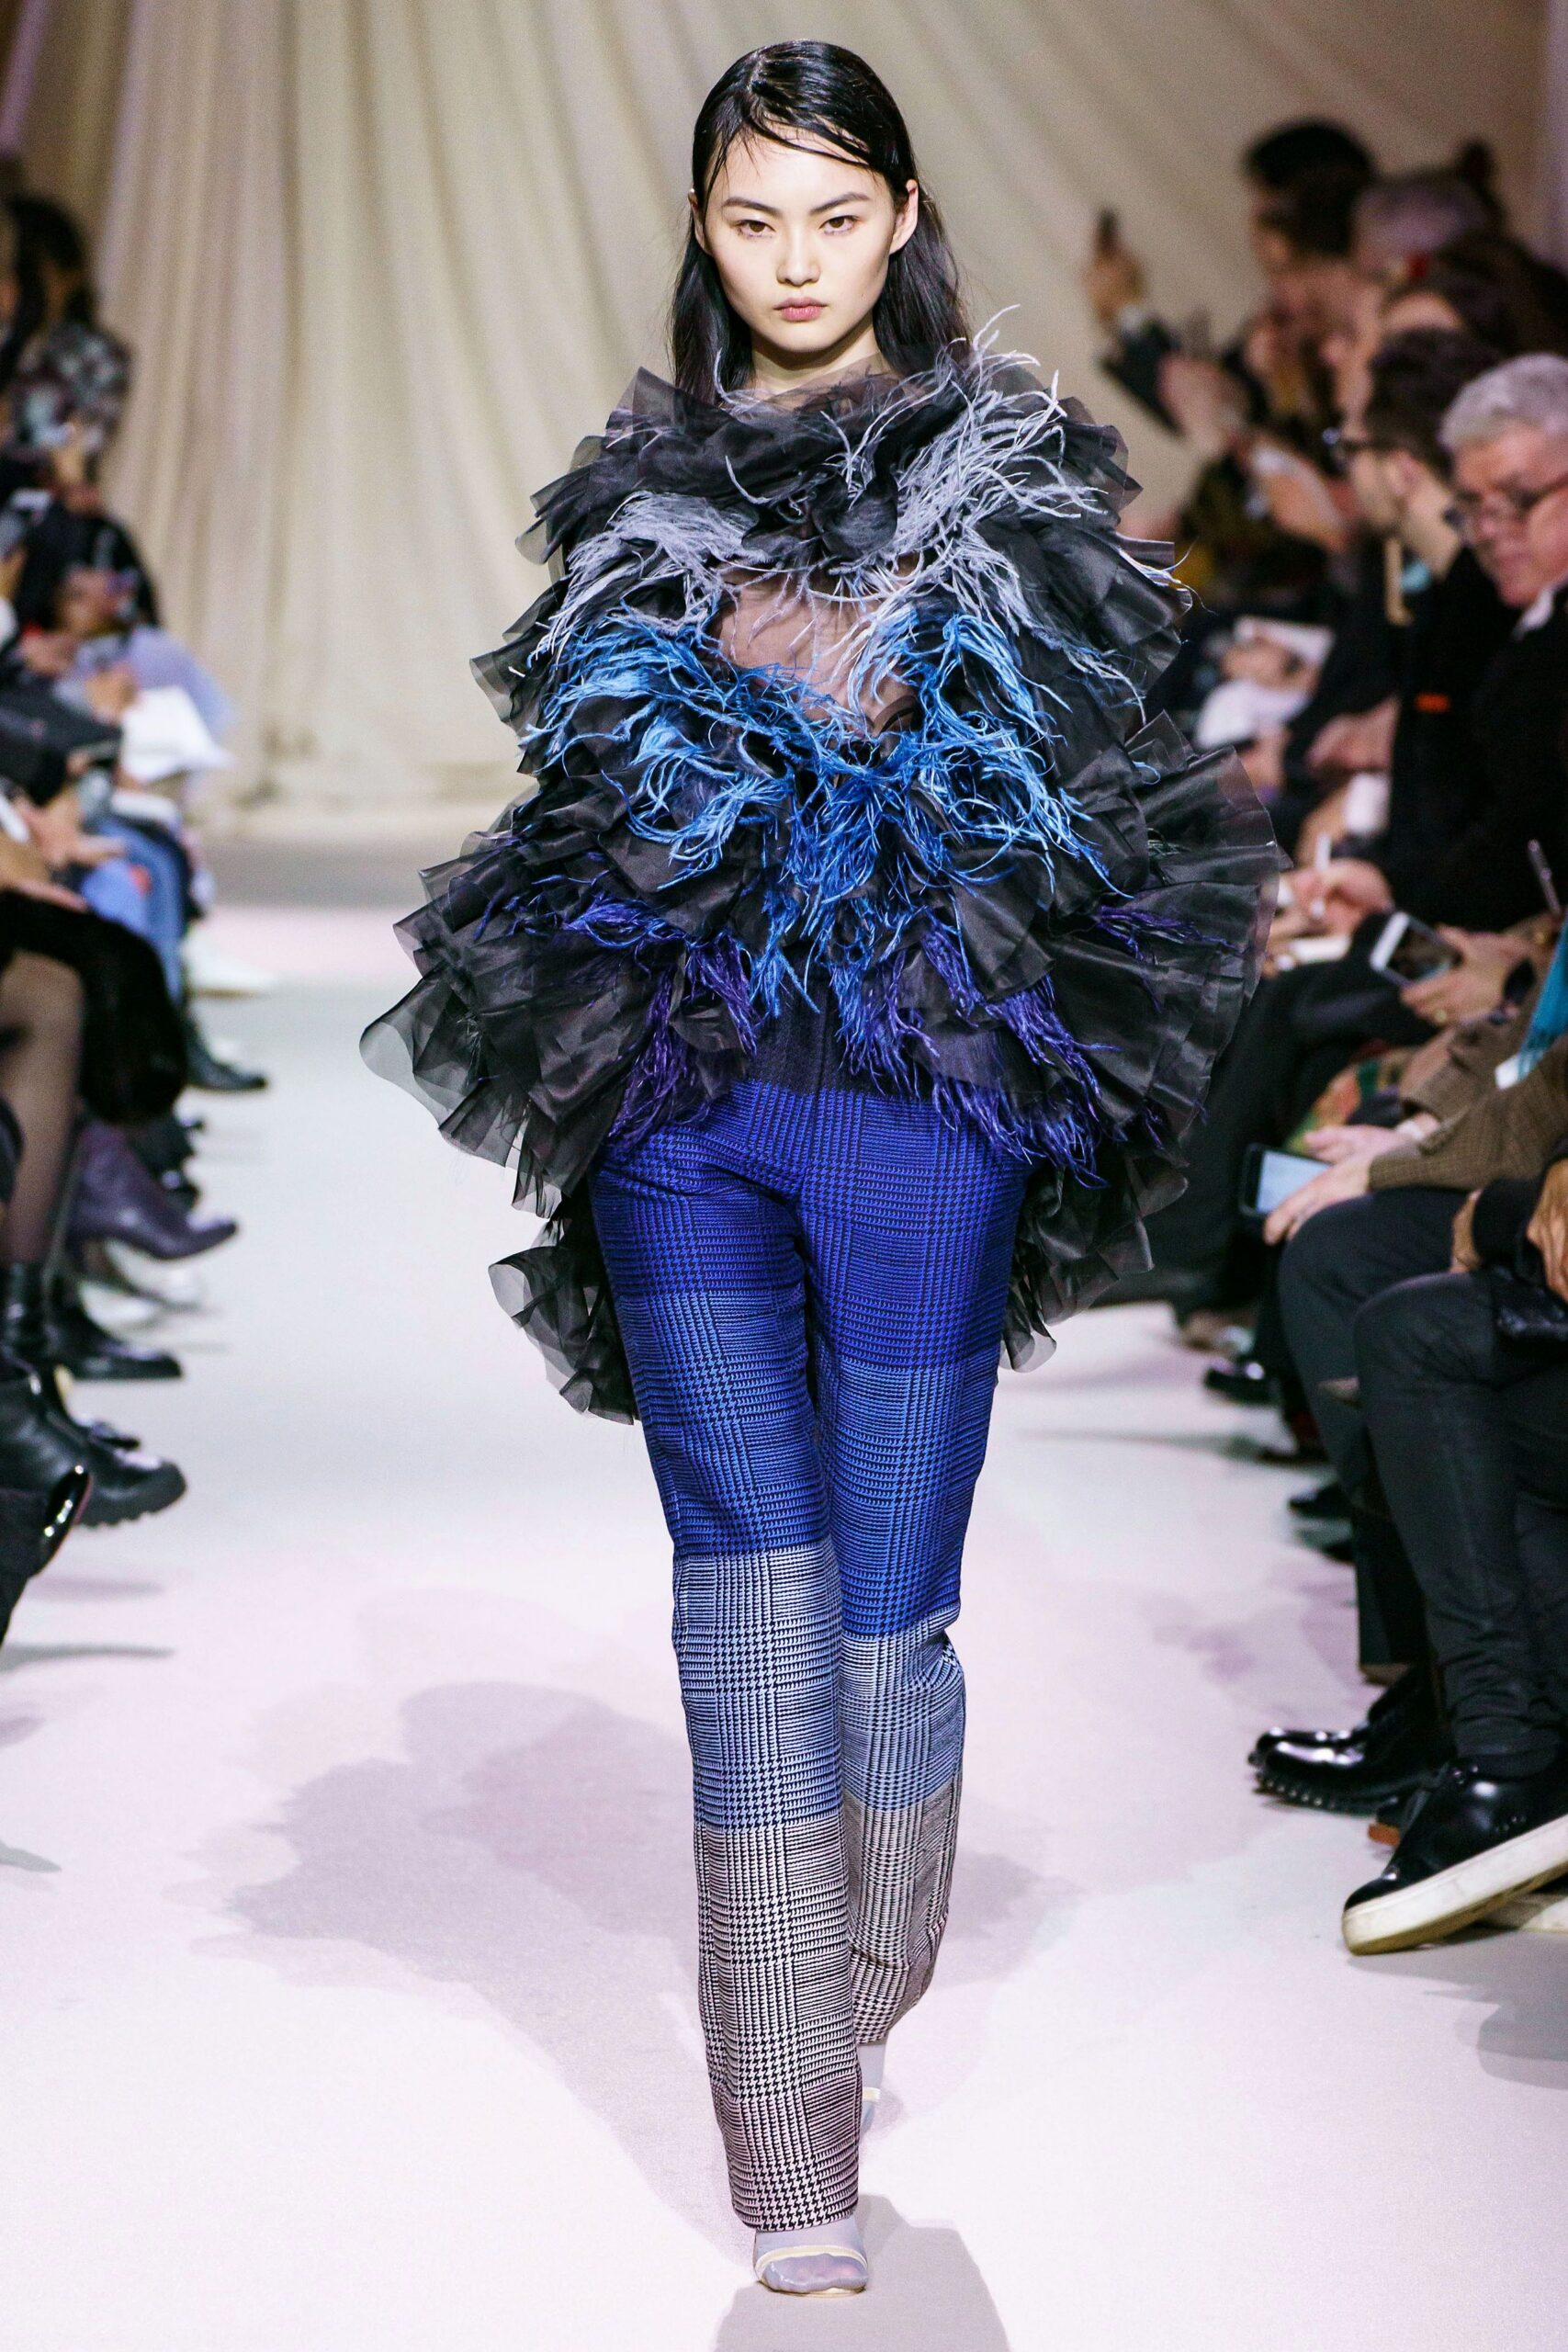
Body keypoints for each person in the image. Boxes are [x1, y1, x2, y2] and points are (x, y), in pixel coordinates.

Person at [365, 41, 1275, 2300]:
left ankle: (851, 1973)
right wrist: (783, 682)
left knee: (885, 1613)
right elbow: (606, 781)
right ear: (703, 226)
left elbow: (1040, 766)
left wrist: (805, 682)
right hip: (676, 1092)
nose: (791, 261)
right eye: (751, 218)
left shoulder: (1012, 476)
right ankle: (788, 2143)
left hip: (916, 1100)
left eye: (833, 217)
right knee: (740, 1595)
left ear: (900, 220)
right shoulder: (630, 494)